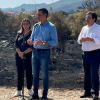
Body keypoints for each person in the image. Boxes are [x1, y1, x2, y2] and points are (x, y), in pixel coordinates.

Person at [27, 8, 58, 99]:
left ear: (45, 15)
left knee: (44, 74)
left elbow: (55, 41)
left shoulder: (51, 27)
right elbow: (32, 39)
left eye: (39, 15)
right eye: (37, 14)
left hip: (45, 53)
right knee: (35, 74)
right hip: (35, 52)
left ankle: (44, 95)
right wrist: (30, 41)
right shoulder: (36, 26)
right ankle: (35, 94)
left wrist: (43, 43)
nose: (37, 16)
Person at [77, 11, 100, 100]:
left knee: (94, 73)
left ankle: (95, 93)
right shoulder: (84, 28)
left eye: (89, 17)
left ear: (94, 19)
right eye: (86, 17)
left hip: (95, 53)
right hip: (85, 53)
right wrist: (82, 39)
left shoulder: (98, 28)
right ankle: (87, 91)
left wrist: (91, 39)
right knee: (86, 73)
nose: (87, 19)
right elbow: (78, 40)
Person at [14, 18, 33, 97]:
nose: (25, 25)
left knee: (29, 72)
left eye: (27, 23)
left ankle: (29, 89)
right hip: (19, 56)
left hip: (28, 56)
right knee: (20, 73)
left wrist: (24, 53)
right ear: (22, 25)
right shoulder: (19, 34)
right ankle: (19, 90)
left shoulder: (32, 34)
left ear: (29, 25)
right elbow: (16, 45)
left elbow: (32, 46)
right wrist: (20, 53)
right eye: (24, 23)